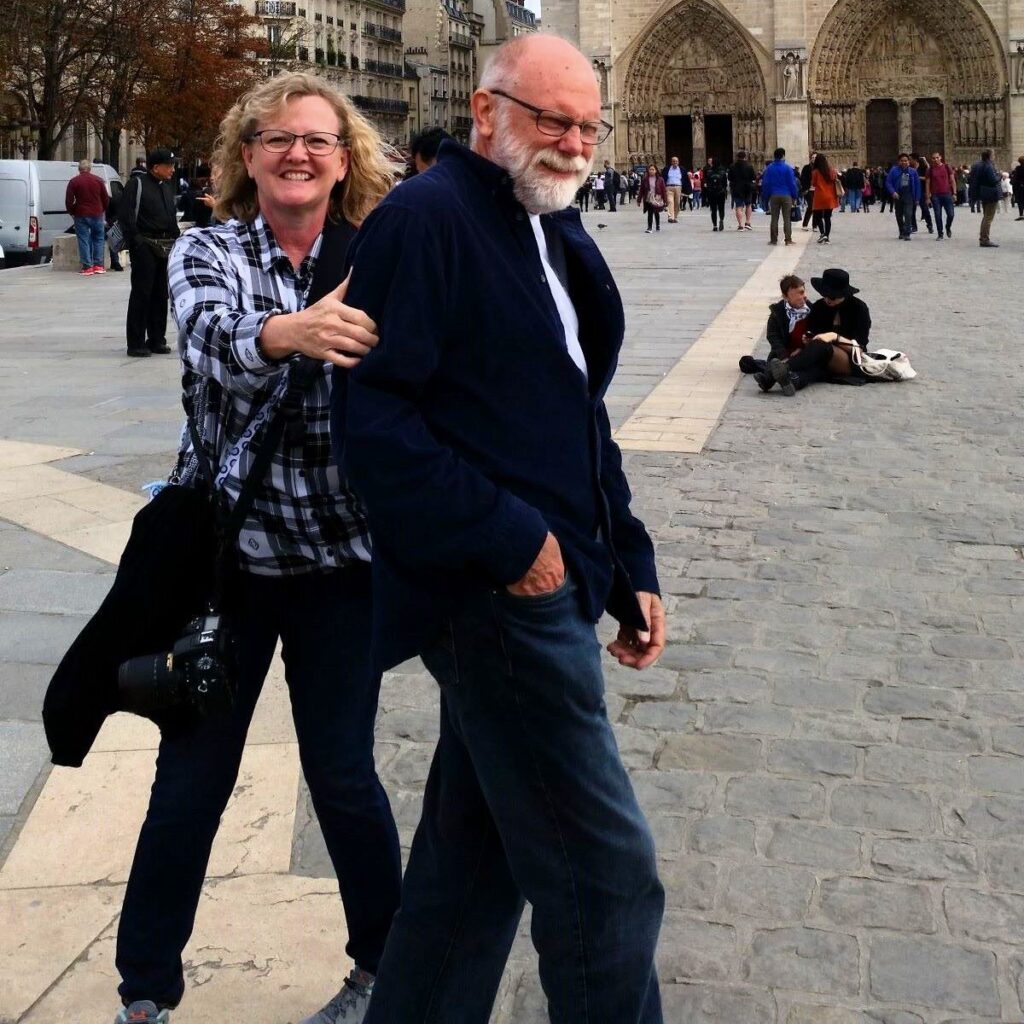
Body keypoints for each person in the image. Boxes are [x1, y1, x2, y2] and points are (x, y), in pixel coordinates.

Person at [338, 33, 666, 1024]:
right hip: (498, 602)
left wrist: (627, 564)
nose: (572, 142)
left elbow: (576, 413)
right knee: (607, 877)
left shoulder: (550, 225)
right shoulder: (425, 219)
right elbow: (377, 423)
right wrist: (516, 545)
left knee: (470, 865)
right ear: (486, 114)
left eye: (587, 124)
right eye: (549, 119)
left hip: (550, 586)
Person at [114, 73, 402, 1024]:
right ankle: (146, 995)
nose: (298, 154)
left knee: (346, 779)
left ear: (345, 158)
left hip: (341, 567)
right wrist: (293, 332)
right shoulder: (207, 248)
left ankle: (381, 970)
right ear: (246, 157)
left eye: (318, 141)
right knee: (190, 783)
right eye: (277, 138)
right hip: (226, 566)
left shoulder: (380, 254)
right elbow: (205, 334)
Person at [739, 270, 872, 395]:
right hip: (820, 358)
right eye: (824, 295)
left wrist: (834, 337)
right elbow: (812, 333)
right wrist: (806, 342)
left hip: (849, 359)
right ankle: (793, 381)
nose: (828, 300)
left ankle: (771, 376)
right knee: (814, 367)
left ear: (843, 294)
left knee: (821, 345)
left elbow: (859, 348)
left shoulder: (859, 308)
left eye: (832, 296)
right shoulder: (820, 306)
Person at [120, 147, 180, 357]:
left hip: (165, 245)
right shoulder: (136, 185)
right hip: (145, 244)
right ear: (156, 167)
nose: (173, 169)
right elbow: (126, 216)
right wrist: (137, 243)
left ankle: (156, 338)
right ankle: (135, 342)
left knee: (160, 294)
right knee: (142, 293)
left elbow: (171, 217)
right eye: (169, 165)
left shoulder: (166, 187)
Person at [65, 158, 110, 276]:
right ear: (90, 169)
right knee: (99, 238)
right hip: (97, 213)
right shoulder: (98, 180)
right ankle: (98, 265)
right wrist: (102, 208)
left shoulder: (74, 182)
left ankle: (87, 266)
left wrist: (72, 211)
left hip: (81, 214)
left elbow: (69, 201)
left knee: (83, 239)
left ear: (79, 170)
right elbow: (105, 198)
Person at [761, 147, 800, 245]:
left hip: (774, 195)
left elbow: (766, 184)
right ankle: (788, 239)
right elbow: (792, 183)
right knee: (787, 218)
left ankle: (773, 240)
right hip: (786, 195)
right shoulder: (788, 168)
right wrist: (795, 195)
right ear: (783, 155)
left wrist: (765, 197)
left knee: (774, 218)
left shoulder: (769, 168)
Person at [969, 148, 1002, 247]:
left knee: (985, 216)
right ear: (990, 156)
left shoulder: (976, 165)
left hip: (982, 193)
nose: (994, 156)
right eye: (993, 154)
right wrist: (1000, 176)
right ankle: (984, 239)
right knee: (988, 218)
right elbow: (993, 180)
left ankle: (983, 238)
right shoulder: (988, 166)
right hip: (991, 194)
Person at [886, 153, 921, 241]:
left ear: (908, 162)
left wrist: (917, 198)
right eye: (902, 161)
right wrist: (893, 192)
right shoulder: (894, 170)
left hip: (908, 194)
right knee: (899, 214)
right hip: (898, 194)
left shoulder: (913, 171)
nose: (904, 162)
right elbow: (888, 182)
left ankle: (907, 233)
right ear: (899, 162)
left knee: (908, 214)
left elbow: (917, 185)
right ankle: (901, 231)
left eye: (905, 161)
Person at [811, 151, 839, 243]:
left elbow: (814, 184)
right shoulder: (832, 170)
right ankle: (827, 236)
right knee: (827, 217)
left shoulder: (815, 172)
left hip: (820, 196)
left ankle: (822, 233)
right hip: (830, 196)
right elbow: (835, 179)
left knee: (818, 217)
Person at [927, 151, 956, 240]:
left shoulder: (947, 167)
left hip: (947, 194)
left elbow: (952, 180)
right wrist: (928, 197)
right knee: (937, 215)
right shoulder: (930, 169)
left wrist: (954, 193)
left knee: (951, 214)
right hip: (936, 196)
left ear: (940, 157)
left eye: (937, 157)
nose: (935, 160)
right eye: (933, 158)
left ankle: (948, 227)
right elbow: (927, 183)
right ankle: (940, 233)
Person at [729, 149, 756, 229]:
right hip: (747, 188)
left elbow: (730, 178)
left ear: (737, 157)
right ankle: (747, 222)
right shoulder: (749, 166)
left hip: (737, 188)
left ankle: (740, 225)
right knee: (748, 205)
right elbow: (753, 177)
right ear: (745, 157)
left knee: (739, 207)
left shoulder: (732, 166)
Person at [639, 161, 667, 232]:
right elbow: (641, 190)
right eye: (650, 169)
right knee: (650, 212)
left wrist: (665, 200)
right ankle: (649, 227)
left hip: (657, 197)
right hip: (648, 197)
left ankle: (658, 225)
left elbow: (663, 190)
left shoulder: (660, 179)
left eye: (653, 169)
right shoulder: (645, 179)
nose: (651, 171)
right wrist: (639, 199)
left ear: (656, 170)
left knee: (656, 212)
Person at [908, 155, 934, 233]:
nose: (909, 161)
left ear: (915, 160)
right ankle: (914, 226)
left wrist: (917, 177)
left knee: (925, 209)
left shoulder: (923, 168)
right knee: (912, 210)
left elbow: (928, 177)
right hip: (912, 192)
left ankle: (929, 225)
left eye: (910, 159)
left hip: (922, 191)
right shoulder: (909, 169)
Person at [703, 155, 728, 230]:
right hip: (721, 192)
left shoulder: (709, 172)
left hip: (711, 193)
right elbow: (725, 184)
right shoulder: (723, 172)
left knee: (713, 209)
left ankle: (715, 226)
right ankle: (721, 220)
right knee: (721, 208)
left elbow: (707, 183)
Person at [661, 154, 684, 222]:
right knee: (670, 201)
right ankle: (671, 217)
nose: (675, 162)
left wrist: (687, 190)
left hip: (678, 187)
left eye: (676, 161)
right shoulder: (667, 169)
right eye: (673, 161)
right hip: (669, 187)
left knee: (677, 203)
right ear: (671, 162)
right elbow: (662, 178)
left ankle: (675, 216)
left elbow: (685, 179)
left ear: (678, 162)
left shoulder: (681, 169)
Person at [800, 150, 817, 229]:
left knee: (816, 207)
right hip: (809, 190)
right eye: (812, 157)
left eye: (815, 157)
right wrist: (805, 189)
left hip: (817, 190)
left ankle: (814, 225)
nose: (814, 159)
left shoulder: (819, 168)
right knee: (811, 206)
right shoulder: (806, 167)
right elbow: (802, 179)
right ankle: (805, 224)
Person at [1011, 155, 1024, 219]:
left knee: (1020, 201)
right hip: (1020, 186)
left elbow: (1015, 179)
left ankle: (1021, 215)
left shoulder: (1018, 168)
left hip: (1020, 188)